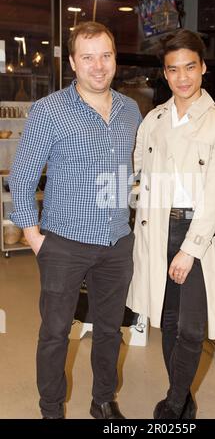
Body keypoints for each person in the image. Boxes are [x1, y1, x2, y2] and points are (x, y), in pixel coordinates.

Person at [127, 29, 215, 419]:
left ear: (203, 68)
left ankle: (173, 405)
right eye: (173, 69)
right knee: (167, 319)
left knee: (191, 327)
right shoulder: (152, 120)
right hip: (159, 230)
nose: (182, 77)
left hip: (201, 234)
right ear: (165, 74)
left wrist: (190, 249)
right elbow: (136, 174)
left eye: (190, 66)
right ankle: (183, 398)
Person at [9, 21, 142, 419]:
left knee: (108, 330)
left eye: (106, 55)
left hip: (117, 241)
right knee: (54, 333)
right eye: (88, 57)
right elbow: (22, 177)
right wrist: (35, 238)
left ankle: (103, 400)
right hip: (63, 243)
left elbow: (130, 169)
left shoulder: (131, 109)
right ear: (72, 62)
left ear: (115, 59)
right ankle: (51, 409)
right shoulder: (49, 110)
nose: (98, 66)